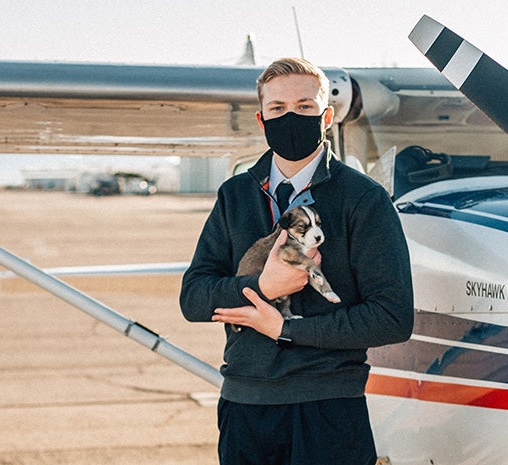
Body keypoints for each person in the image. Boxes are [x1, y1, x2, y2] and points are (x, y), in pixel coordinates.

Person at [179, 57, 414, 465]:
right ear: (261, 118)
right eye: (278, 108)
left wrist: (286, 329)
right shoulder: (234, 196)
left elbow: (393, 317)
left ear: (326, 117)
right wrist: (263, 288)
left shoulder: (365, 199)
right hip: (245, 408)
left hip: (329, 408)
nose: (291, 116)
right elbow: (193, 298)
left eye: (305, 107)